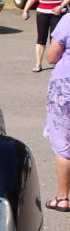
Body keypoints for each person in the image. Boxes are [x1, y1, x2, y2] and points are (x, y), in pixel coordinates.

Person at [22, 0, 70, 72]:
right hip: (42, 13)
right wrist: (25, 9)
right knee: (41, 38)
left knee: (56, 39)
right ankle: (38, 64)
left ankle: (57, 63)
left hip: (58, 13)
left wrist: (61, 6)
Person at [43, 13, 70, 211]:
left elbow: (52, 57)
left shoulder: (68, 20)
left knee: (64, 145)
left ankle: (62, 198)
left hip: (65, 90)